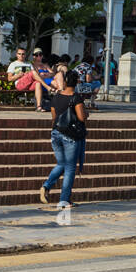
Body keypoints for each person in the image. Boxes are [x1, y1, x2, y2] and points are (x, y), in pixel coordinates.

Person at [40, 71, 88, 209]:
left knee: (61, 163)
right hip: (71, 136)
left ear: (65, 82)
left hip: (56, 133)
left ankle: (46, 186)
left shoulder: (56, 97)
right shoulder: (76, 98)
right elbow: (81, 118)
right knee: (70, 168)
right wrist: (86, 114)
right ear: (76, 82)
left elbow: (54, 117)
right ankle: (64, 200)